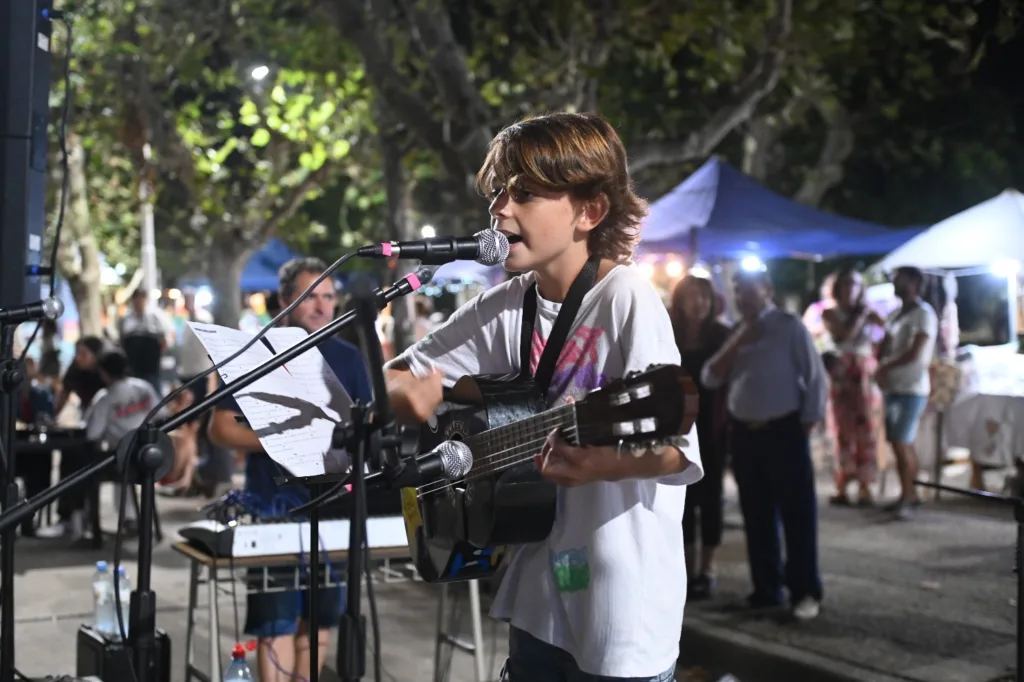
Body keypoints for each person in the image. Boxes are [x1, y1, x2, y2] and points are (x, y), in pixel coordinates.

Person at [385, 112, 703, 682]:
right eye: (500, 191)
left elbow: (677, 449)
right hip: (539, 599)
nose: (499, 208)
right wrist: (407, 394)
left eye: (525, 193)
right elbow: (398, 374)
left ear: (590, 211)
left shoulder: (625, 297)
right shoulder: (507, 304)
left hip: (619, 614)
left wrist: (600, 463)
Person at [208, 257, 372, 682]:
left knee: (319, 623)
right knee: (274, 624)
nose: (321, 306)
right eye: (309, 297)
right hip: (272, 510)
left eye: (328, 296)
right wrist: (284, 440)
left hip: (333, 509)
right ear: (283, 301)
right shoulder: (254, 352)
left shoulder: (350, 358)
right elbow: (221, 428)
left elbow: (365, 428)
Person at [702, 268, 827, 621]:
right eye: (739, 290)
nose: (744, 296)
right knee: (756, 516)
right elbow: (710, 376)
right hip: (745, 433)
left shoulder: (788, 326)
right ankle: (766, 589)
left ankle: (805, 591)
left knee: (797, 516)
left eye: (750, 290)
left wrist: (808, 421)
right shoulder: (736, 333)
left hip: (784, 429)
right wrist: (740, 340)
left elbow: (815, 377)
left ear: (768, 290)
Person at [669, 275, 731, 600]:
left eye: (704, 298)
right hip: (676, 427)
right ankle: (686, 567)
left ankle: (708, 568)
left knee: (711, 499)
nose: (699, 304)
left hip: (712, 427)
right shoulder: (668, 333)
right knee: (682, 497)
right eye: (692, 297)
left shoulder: (722, 336)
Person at [877, 266, 938, 519]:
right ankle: (907, 492)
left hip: (911, 388)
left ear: (914, 282)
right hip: (894, 387)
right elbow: (887, 345)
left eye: (900, 278)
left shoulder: (923, 314)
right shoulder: (897, 315)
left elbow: (915, 351)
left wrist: (884, 366)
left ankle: (909, 496)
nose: (895, 282)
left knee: (901, 442)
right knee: (899, 441)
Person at [822, 268, 886, 506]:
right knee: (840, 429)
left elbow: (887, 331)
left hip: (863, 374)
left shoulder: (869, 312)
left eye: (856, 285)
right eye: (847, 284)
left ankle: (864, 484)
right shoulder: (830, 313)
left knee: (866, 428)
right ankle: (842, 482)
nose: (852, 289)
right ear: (838, 288)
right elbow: (842, 336)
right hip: (841, 373)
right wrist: (861, 316)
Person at [118, 288, 171, 394]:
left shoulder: (156, 317)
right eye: (137, 299)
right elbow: (122, 341)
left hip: (151, 367)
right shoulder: (126, 319)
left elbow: (165, 339)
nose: (139, 301)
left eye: (141, 298)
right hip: (133, 368)